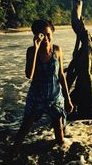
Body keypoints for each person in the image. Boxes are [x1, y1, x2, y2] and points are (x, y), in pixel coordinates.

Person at [12, 19, 73, 156]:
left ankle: (62, 155)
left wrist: (68, 99)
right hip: (36, 97)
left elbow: (61, 75)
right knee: (25, 127)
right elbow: (29, 74)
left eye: (48, 34)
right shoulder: (31, 51)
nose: (45, 38)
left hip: (55, 96)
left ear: (53, 33)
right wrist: (36, 48)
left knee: (59, 130)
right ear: (35, 35)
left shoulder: (57, 50)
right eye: (41, 35)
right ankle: (13, 153)